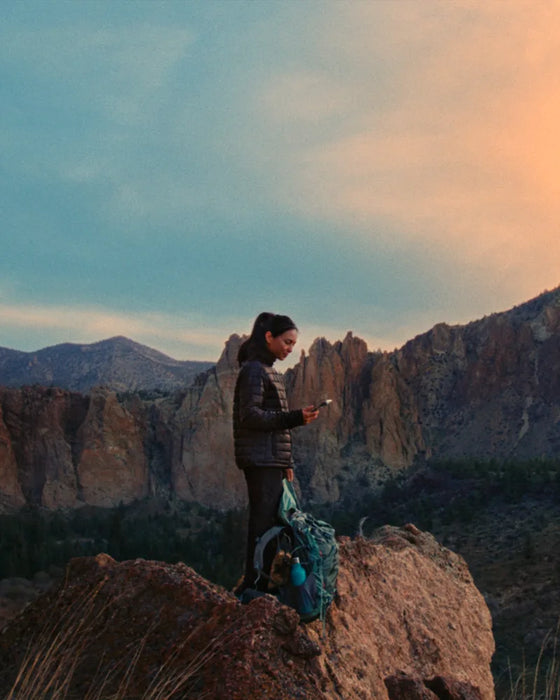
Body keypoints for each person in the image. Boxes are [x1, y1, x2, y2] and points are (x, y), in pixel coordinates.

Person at [233, 312, 319, 594]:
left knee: (270, 522)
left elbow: (274, 423)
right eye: (286, 342)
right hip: (260, 460)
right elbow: (250, 416)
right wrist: (295, 418)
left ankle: (260, 584)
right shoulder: (255, 370)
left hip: (270, 459)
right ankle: (255, 587)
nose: (290, 349)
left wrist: (285, 461)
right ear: (269, 337)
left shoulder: (267, 369)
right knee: (263, 525)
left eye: (293, 344)